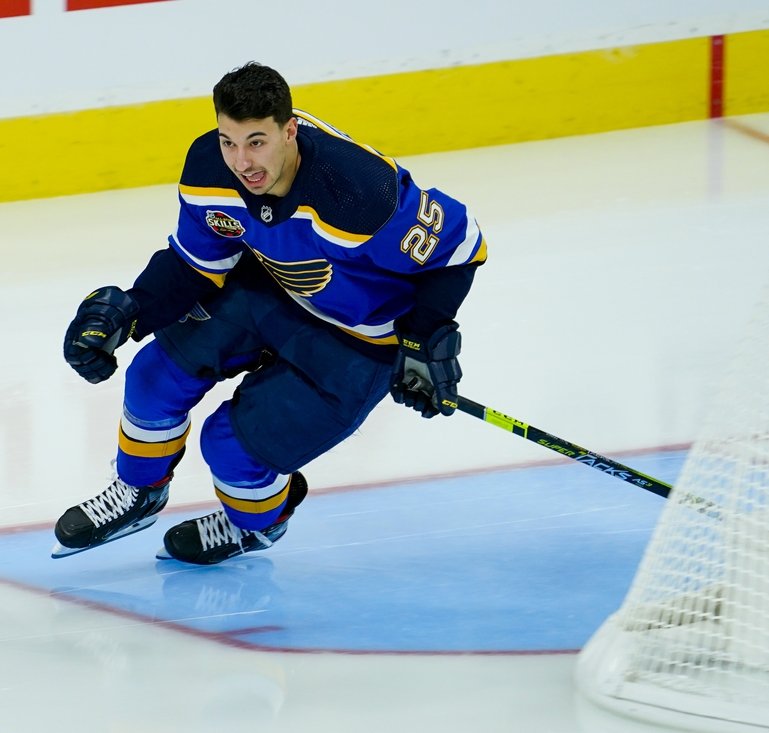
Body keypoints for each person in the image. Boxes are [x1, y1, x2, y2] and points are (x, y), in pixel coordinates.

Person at [53, 62, 486, 564]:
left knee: (230, 449)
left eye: (257, 142)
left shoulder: (360, 193)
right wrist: (130, 313)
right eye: (229, 141)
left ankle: (259, 522)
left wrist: (422, 338)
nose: (243, 163)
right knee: (153, 377)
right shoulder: (210, 171)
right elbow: (197, 266)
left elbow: (460, 248)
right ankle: (139, 492)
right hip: (276, 287)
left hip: (359, 340)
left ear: (290, 130)